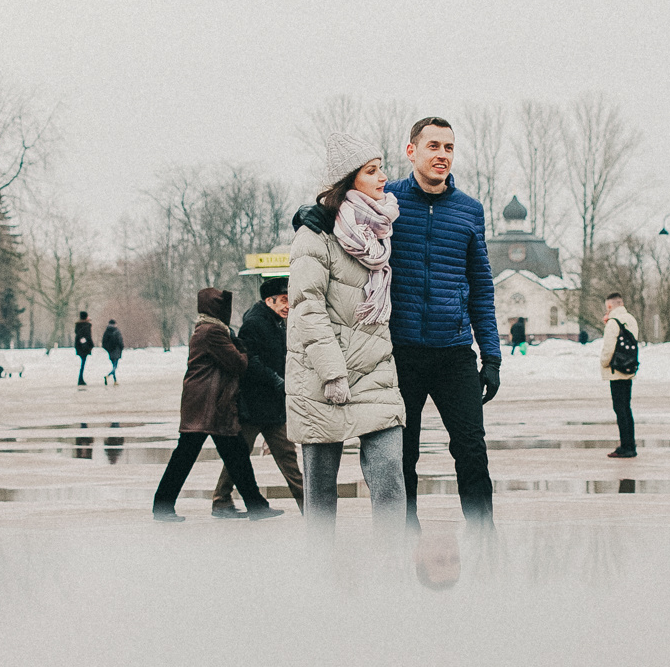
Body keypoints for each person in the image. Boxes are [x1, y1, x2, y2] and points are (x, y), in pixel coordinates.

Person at [288, 134, 409, 532]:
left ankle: (390, 572)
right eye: (372, 171)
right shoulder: (314, 235)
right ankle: (321, 577)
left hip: (375, 371)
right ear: (347, 181)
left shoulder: (381, 230)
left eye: (381, 169)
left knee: (391, 481)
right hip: (324, 376)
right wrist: (332, 372)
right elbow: (307, 309)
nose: (383, 178)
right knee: (321, 493)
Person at [386, 117, 499, 527]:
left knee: (471, 449)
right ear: (411, 150)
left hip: (454, 353)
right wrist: (311, 212)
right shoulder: (385, 199)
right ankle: (403, 538)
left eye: (449, 147)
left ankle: (485, 540)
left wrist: (492, 357)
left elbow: (481, 287)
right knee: (402, 453)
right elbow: (339, 217)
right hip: (400, 352)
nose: (442, 155)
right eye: (433, 146)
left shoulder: (470, 210)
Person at [150, 289, 281, 523]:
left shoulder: (207, 329)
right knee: (194, 457)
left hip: (208, 404)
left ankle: (255, 504)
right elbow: (238, 363)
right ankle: (162, 505)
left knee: (233, 455)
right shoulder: (213, 332)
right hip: (208, 405)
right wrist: (240, 345)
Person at [213, 278, 305, 514]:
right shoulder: (254, 323)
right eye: (283, 301)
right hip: (254, 405)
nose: (287, 306)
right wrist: (275, 380)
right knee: (243, 456)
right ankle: (221, 500)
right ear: (269, 300)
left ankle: (308, 505)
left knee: (283, 456)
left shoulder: (276, 322)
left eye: (289, 301)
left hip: (270, 405)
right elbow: (249, 362)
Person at [600, 291, 641, 458]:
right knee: (626, 408)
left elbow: (609, 348)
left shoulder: (613, 322)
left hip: (616, 370)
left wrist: (603, 363)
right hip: (628, 368)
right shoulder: (630, 319)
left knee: (619, 408)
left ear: (610, 305)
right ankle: (629, 443)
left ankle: (626, 446)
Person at [73, 312, 94, 386]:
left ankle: (81, 378)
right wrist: (91, 345)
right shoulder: (86, 326)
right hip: (84, 347)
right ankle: (80, 379)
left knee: (83, 363)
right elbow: (88, 337)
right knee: (83, 363)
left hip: (79, 346)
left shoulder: (78, 326)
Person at [101, 319, 123, 384]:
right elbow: (120, 341)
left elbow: (104, 342)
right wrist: (121, 348)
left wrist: (108, 349)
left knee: (113, 365)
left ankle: (115, 380)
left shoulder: (107, 331)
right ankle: (108, 375)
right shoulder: (117, 331)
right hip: (116, 350)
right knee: (115, 366)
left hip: (110, 351)